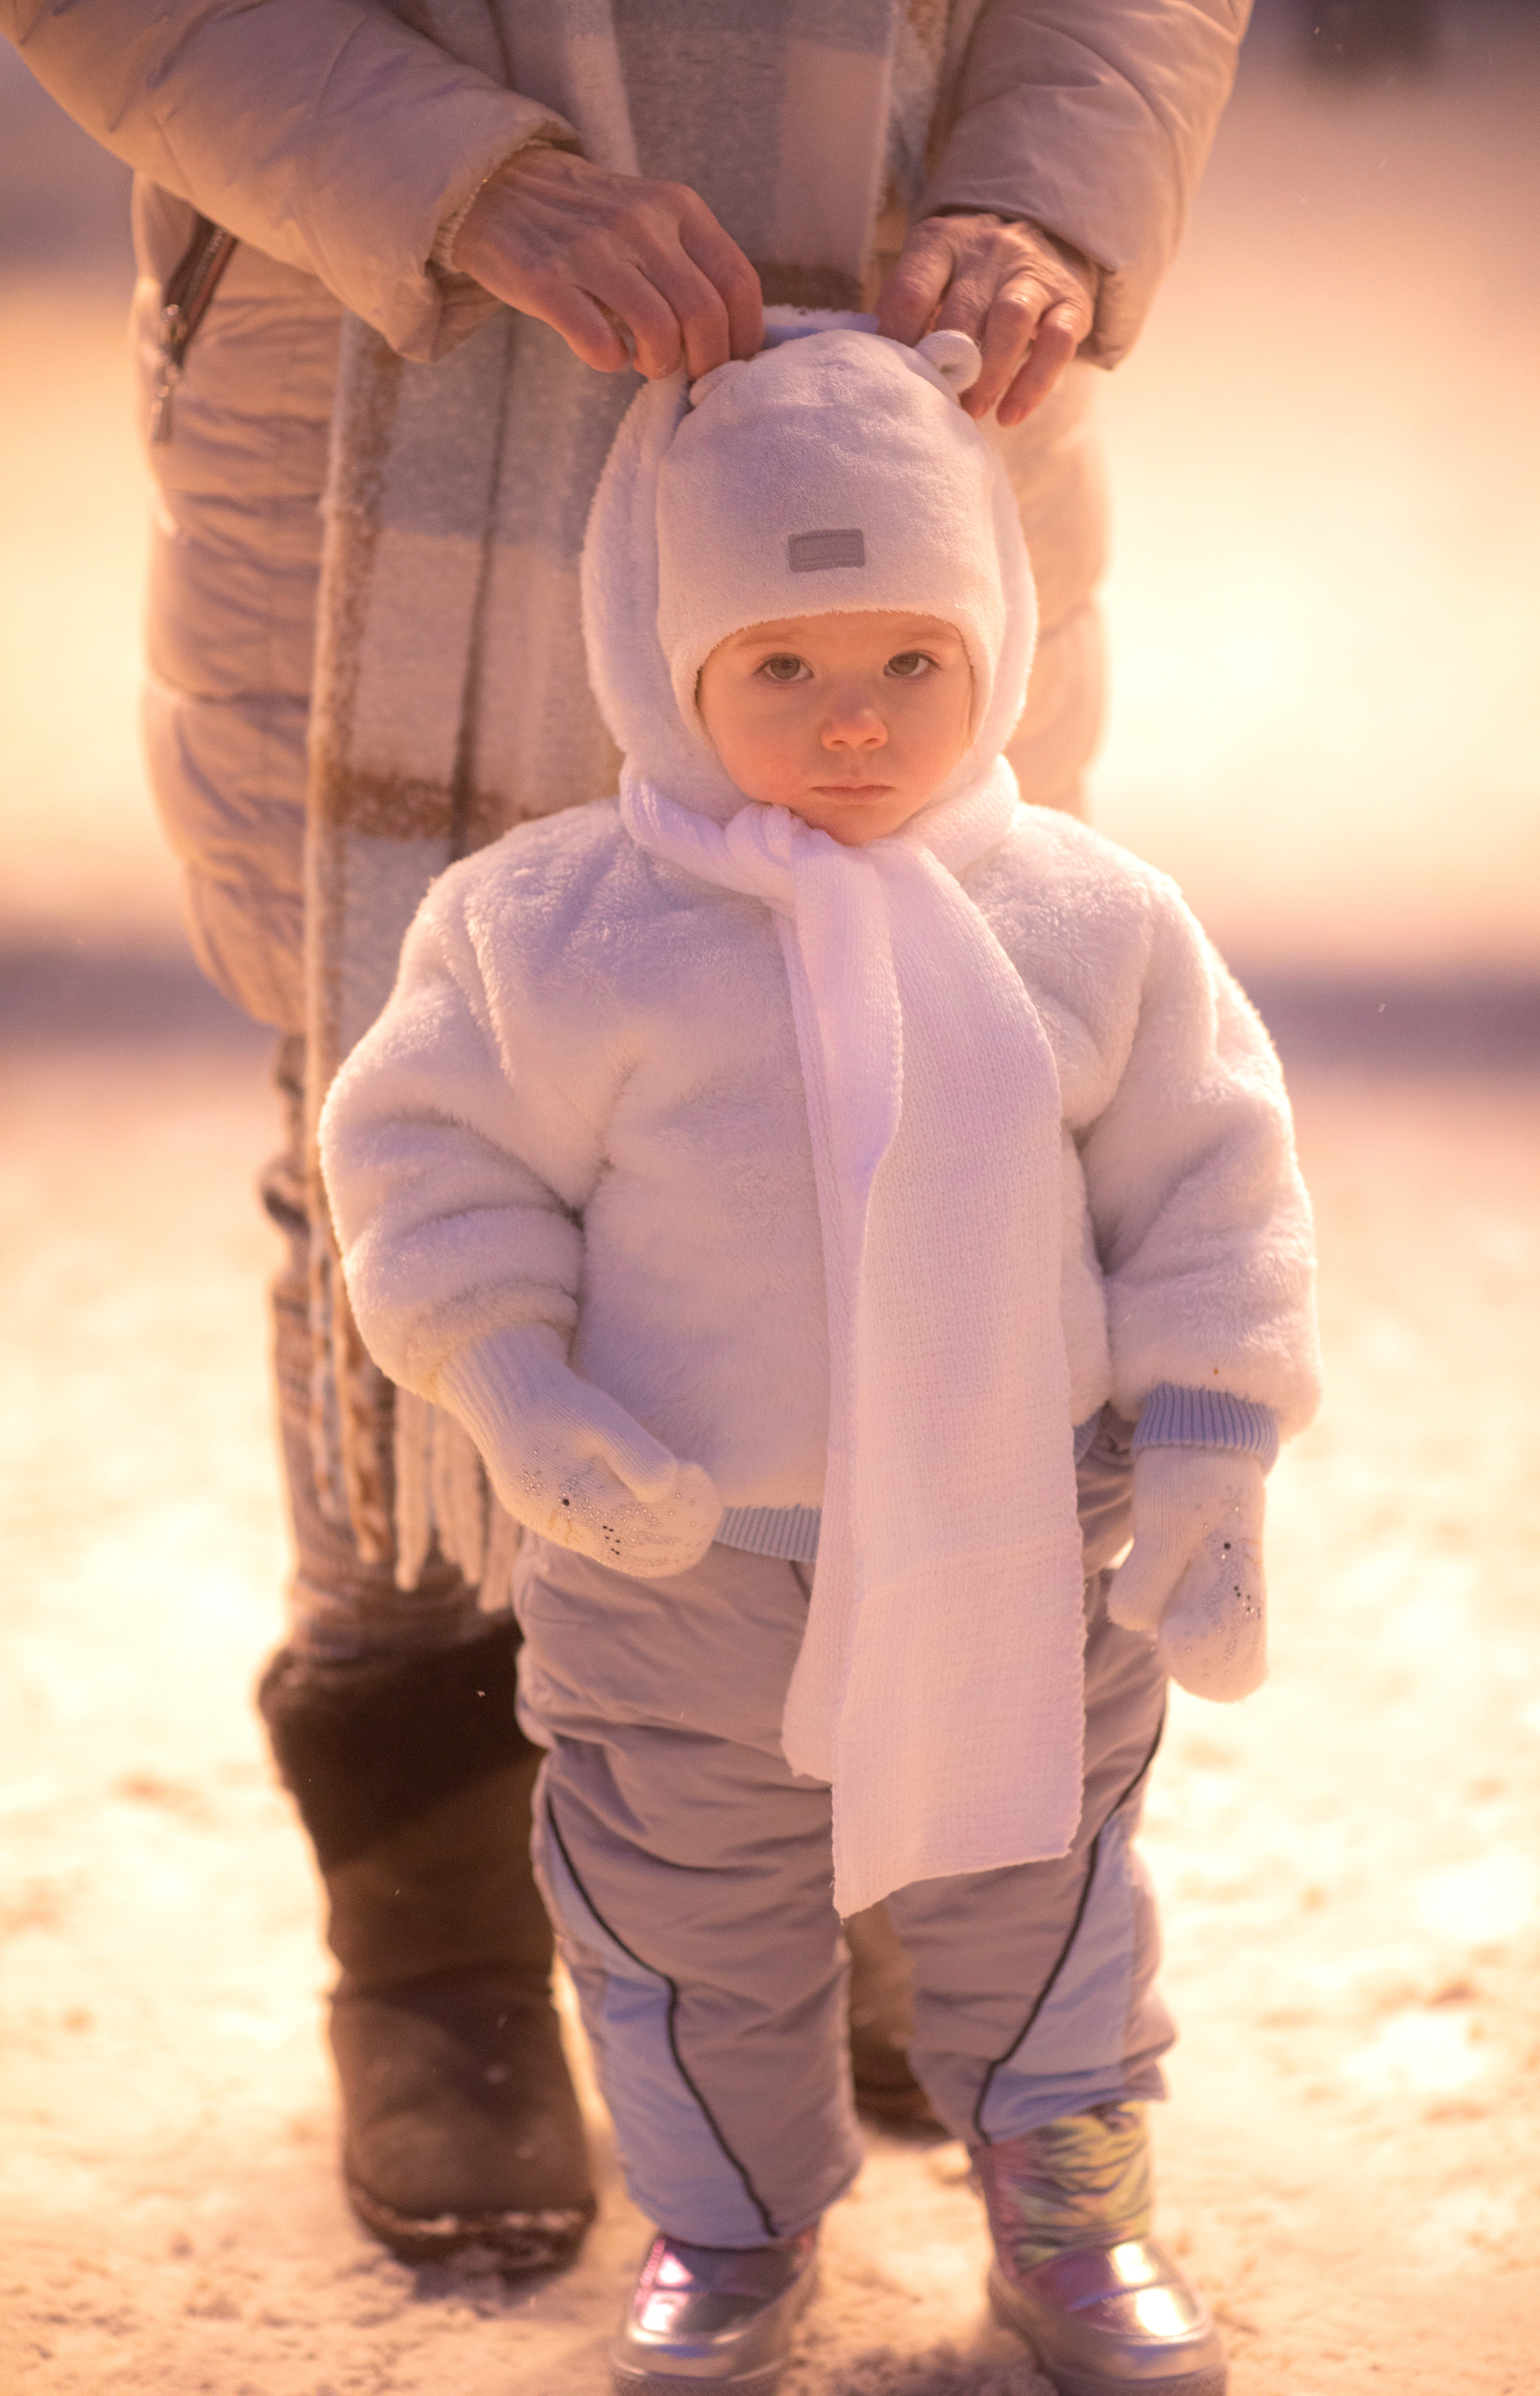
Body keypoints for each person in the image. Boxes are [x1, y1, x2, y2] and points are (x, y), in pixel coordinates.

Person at [3, 0, 1257, 2269]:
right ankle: (439, 1930)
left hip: (901, 374)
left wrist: (1044, 198)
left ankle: (861, 1824)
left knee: (904, 1095)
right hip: (383, 353)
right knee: (409, 1119)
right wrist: (443, 169)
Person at [319, 321, 1319, 2394]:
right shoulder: (555, 929)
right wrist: (519, 1393)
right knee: (687, 1910)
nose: (853, 721)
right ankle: (728, 2224)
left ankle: (1073, 2211)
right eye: (779, 664)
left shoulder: (1088, 921)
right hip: (680, 1560)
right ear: (666, 658)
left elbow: (1212, 1188)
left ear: (995, 647)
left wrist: (1212, 1453)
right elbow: (428, 1169)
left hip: (1019, 1537)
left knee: (1041, 1885)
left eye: (909, 661)